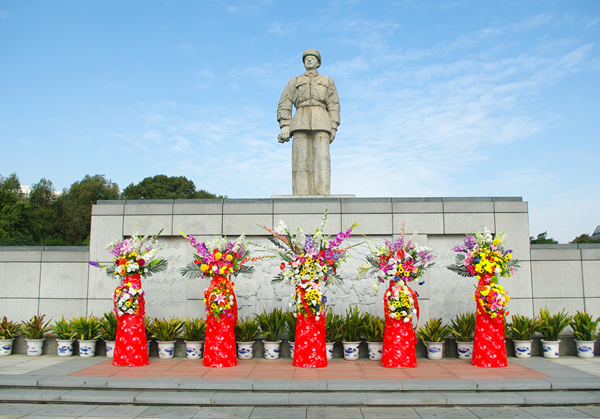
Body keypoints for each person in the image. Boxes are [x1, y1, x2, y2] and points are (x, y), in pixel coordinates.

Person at [277, 49, 340, 195]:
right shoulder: (295, 81)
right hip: (300, 119)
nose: (309, 60)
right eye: (306, 58)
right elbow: (285, 102)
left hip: (322, 119)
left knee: (322, 159)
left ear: (318, 62)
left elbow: (334, 104)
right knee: (300, 160)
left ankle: (322, 194)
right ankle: (301, 194)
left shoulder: (327, 81)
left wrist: (334, 125)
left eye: (312, 58)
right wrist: (285, 124)